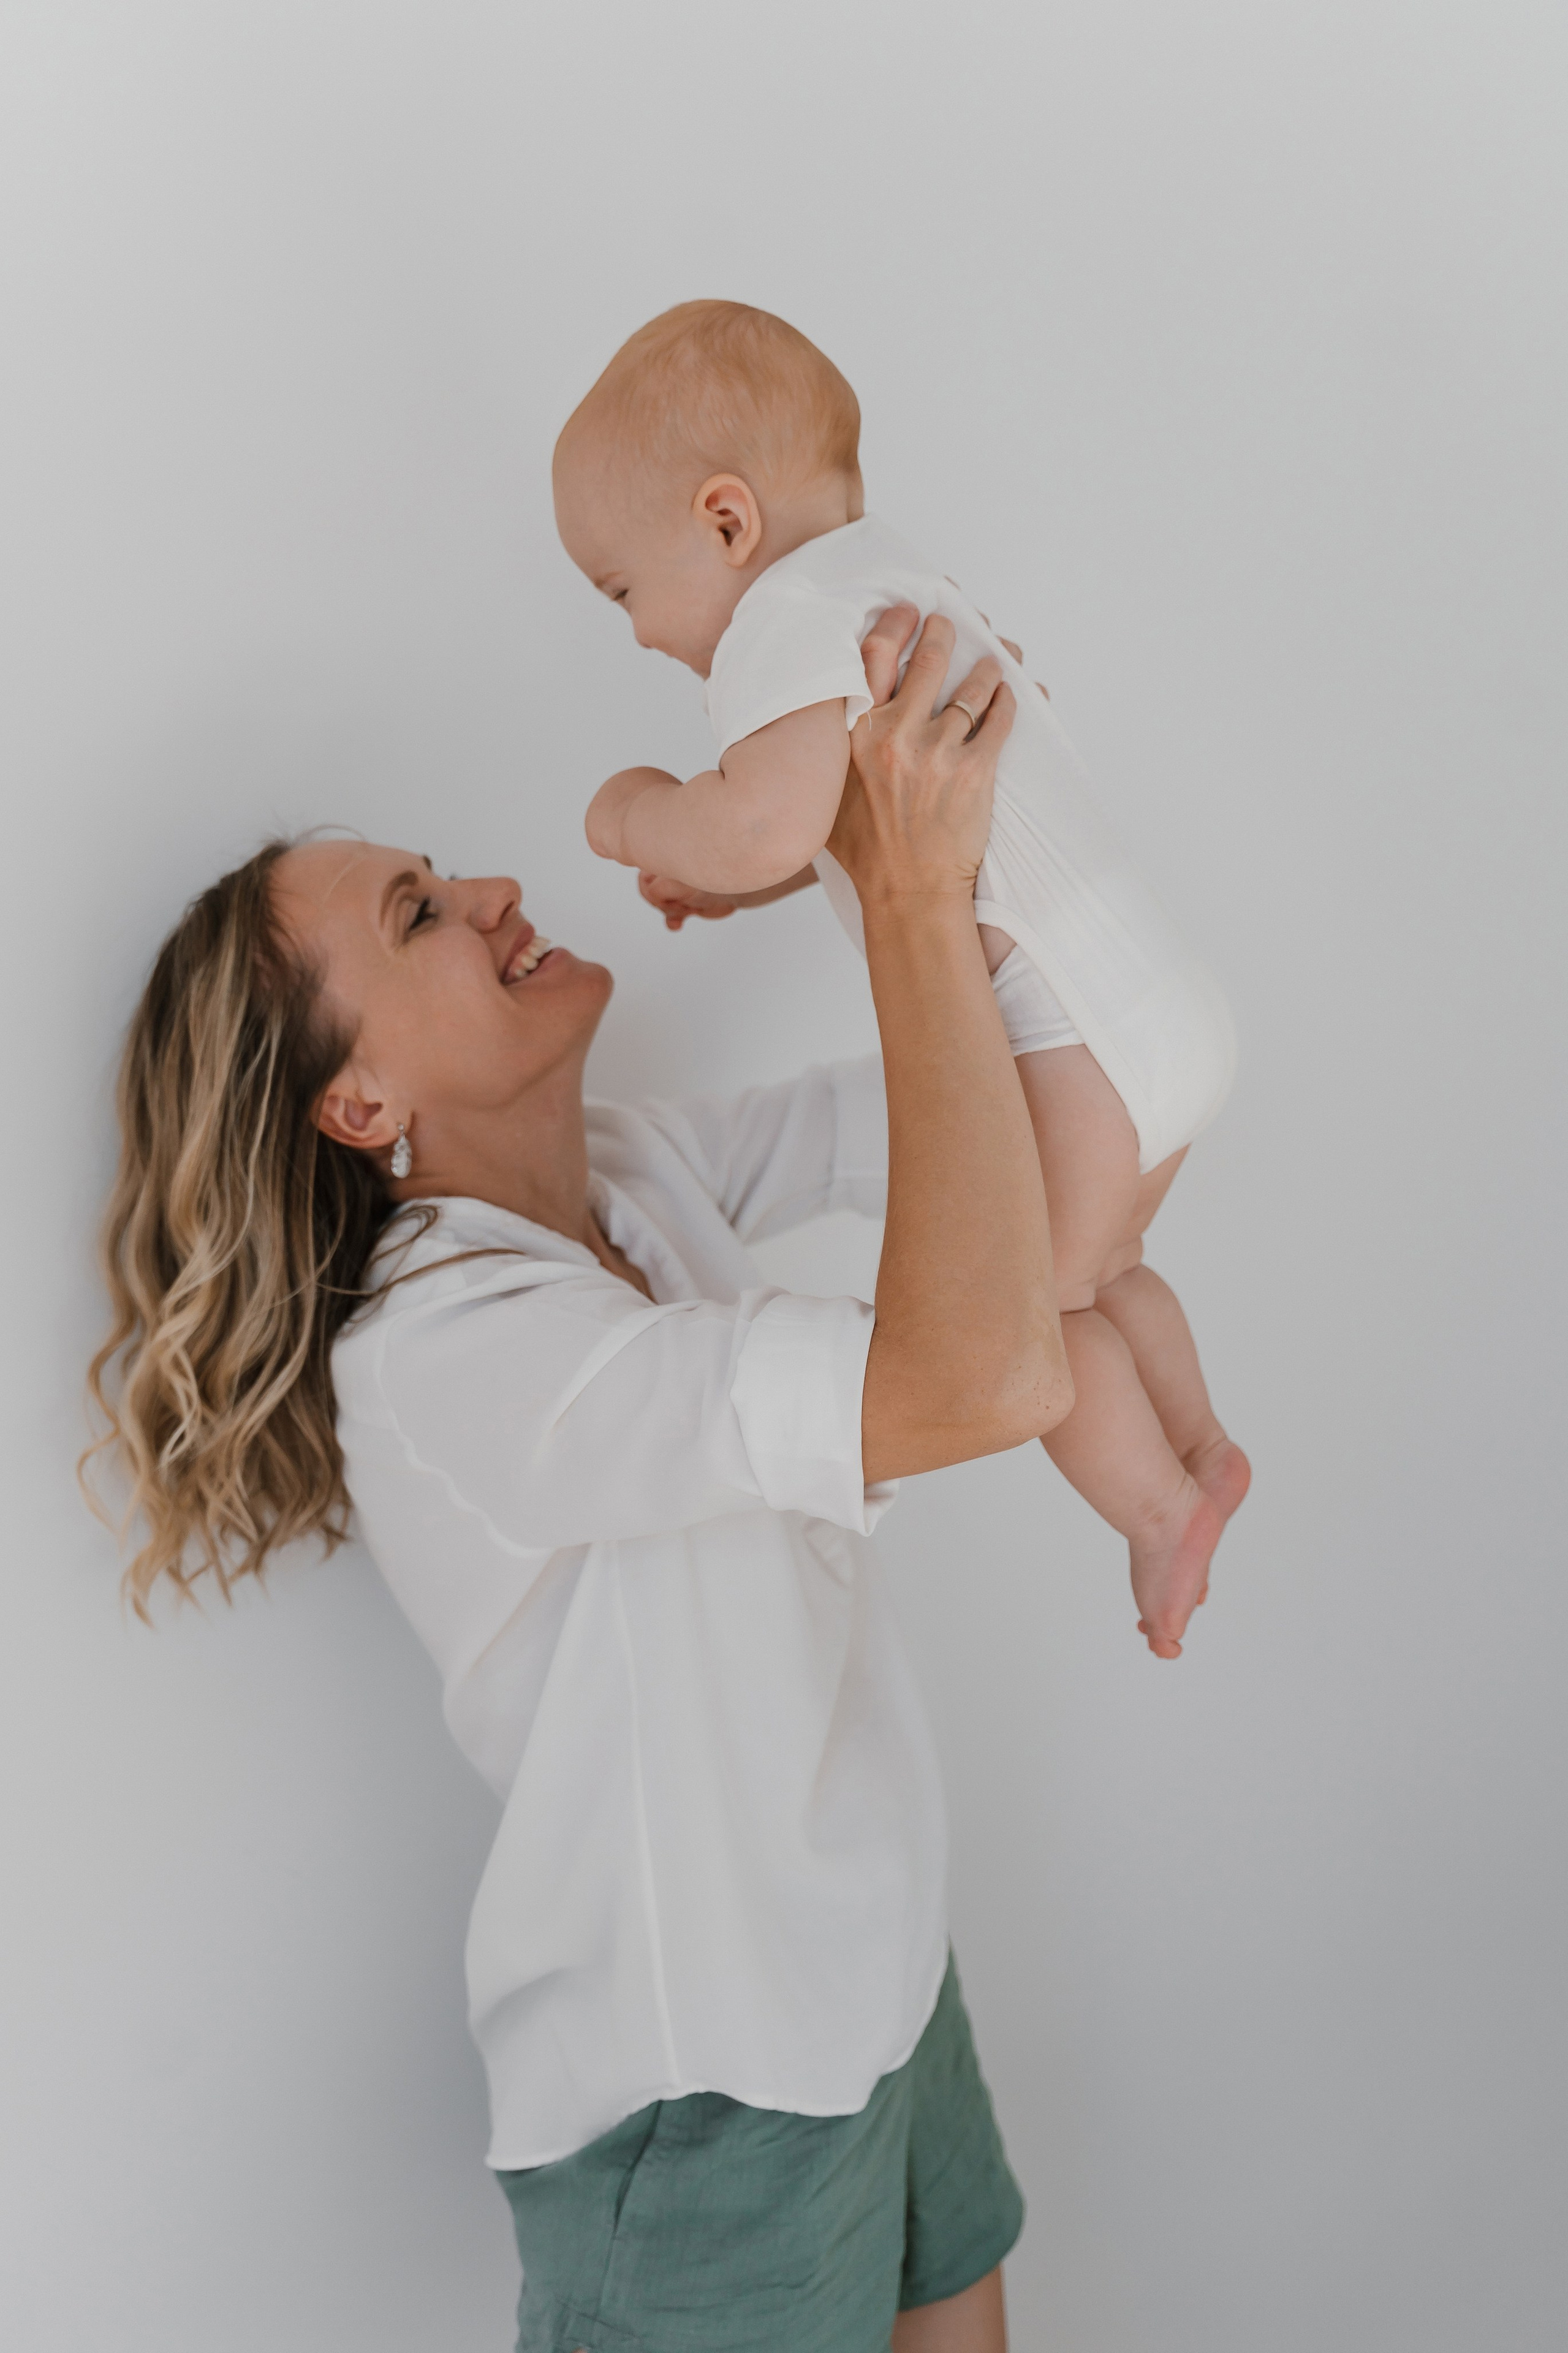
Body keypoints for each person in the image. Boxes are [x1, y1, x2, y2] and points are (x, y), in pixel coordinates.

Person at [89, 615, 1075, 2353]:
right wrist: (911, 906)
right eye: (417, 914)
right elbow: (973, 1373)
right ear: (356, 1099)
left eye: (437, 874)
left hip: (874, 1961)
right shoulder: (447, 1356)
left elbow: (1005, 1117)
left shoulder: (631, 1168)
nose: (488, 891)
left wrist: (869, 840)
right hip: (703, 2099)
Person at [553, 298, 1251, 1661]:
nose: (637, 636)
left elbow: (759, 818)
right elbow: (823, 823)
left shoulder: (777, 624)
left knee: (1035, 1316)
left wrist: (638, 814)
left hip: (1074, 1048)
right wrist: (727, 879)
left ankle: (1163, 1508)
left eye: (621, 590)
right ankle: (1205, 1448)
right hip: (1158, 1010)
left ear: (722, 524)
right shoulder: (893, 584)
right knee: (1107, 1266)